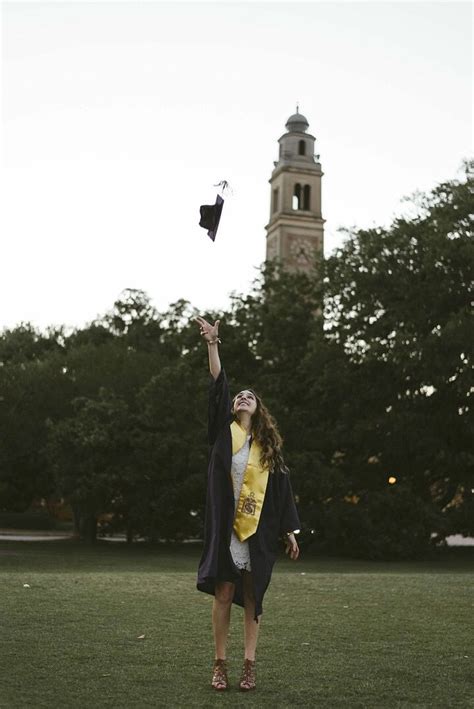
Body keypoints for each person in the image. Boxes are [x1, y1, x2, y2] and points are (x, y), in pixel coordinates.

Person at [195, 316, 301, 692]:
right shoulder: (224, 434)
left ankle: (249, 666)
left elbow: (281, 490)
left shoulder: (268, 448)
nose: (242, 398)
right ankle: (220, 664)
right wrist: (213, 344)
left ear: (259, 409)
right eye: (240, 396)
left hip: (257, 529)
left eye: (250, 396)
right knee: (224, 592)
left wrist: (289, 530)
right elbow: (218, 385)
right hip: (227, 527)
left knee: (253, 598)